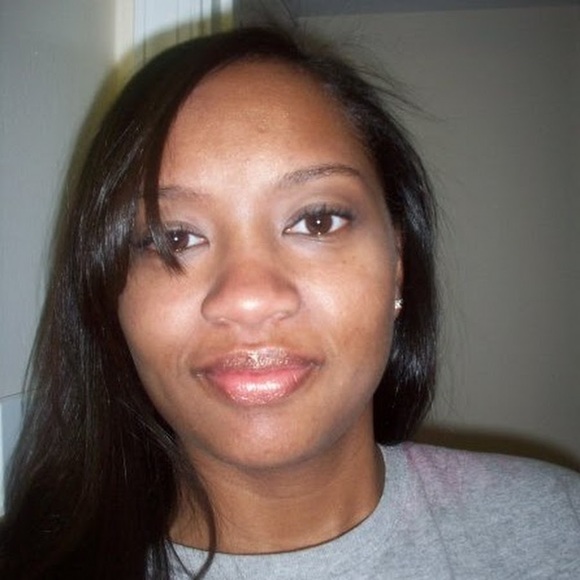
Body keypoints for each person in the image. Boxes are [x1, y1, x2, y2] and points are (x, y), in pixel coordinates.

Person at [0, 25, 578, 580]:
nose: (249, 299)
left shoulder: (559, 525)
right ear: (109, 296)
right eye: (174, 237)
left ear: (398, 263)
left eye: (317, 220)